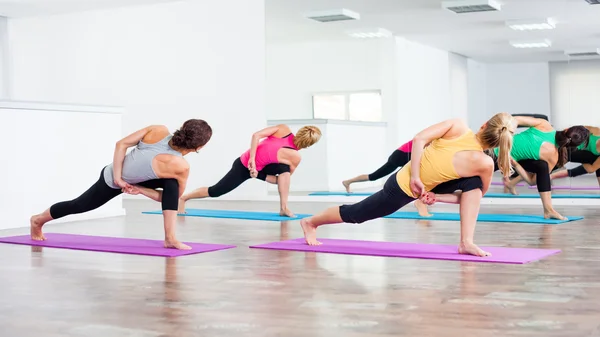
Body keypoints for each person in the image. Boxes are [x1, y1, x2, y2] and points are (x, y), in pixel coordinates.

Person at [299, 112, 516, 257]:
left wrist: (436, 197)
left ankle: (466, 242)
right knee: (358, 214)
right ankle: (311, 222)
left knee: (474, 184)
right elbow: (419, 140)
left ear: (484, 125)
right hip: (402, 187)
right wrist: (415, 177)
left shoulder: (477, 153)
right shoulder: (478, 153)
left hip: (426, 185)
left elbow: (471, 196)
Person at [29, 119, 213, 250]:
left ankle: (170, 238)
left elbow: (170, 198)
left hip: (140, 178)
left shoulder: (161, 136)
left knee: (171, 184)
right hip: (112, 178)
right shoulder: (177, 161)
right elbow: (121, 145)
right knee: (79, 205)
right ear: (199, 148)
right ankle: (38, 220)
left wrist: (139, 189)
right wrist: (118, 178)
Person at [178, 124, 321, 217]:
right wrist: (252, 159)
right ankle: (184, 198)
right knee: (216, 191)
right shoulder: (283, 131)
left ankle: (284, 207)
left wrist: (258, 175)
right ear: (310, 145)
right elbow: (256, 136)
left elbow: (282, 181)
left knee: (284, 171)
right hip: (243, 164)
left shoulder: (294, 157)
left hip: (261, 169)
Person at [496, 116, 589, 220]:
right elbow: (531, 181)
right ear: (572, 147)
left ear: (566, 129)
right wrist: (515, 163)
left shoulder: (544, 125)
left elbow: (513, 119)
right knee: (543, 166)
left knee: (542, 166)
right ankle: (548, 210)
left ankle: (548, 210)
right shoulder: (553, 157)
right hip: (494, 154)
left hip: (498, 155)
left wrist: (515, 163)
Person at [341, 140, 432, 217]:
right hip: (401, 155)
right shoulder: (434, 137)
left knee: (374, 176)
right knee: (374, 176)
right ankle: (420, 204)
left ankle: (348, 182)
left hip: (402, 155)